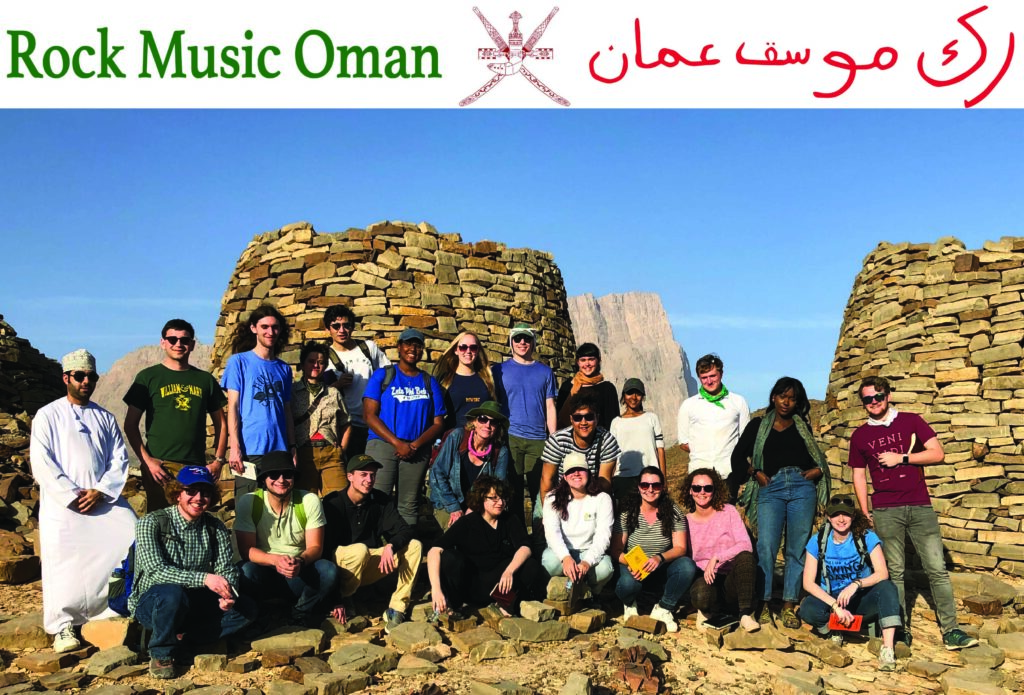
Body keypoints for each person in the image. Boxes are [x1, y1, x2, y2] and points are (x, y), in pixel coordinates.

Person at [848, 376, 978, 650]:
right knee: (894, 572)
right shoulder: (860, 435)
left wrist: (902, 458)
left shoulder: (911, 421)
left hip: (919, 505)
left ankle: (951, 630)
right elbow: (858, 475)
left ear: (888, 395)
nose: (873, 402)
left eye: (878, 396)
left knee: (937, 569)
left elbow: (937, 453)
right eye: (868, 399)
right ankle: (899, 629)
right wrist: (864, 511)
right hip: (885, 509)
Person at [30, 349, 137, 653]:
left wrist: (101, 491)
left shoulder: (104, 417)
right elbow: (43, 462)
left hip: (102, 499)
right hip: (63, 504)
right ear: (66, 378)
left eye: (91, 376)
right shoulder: (48, 416)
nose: (86, 381)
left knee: (132, 533)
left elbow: (119, 460)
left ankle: (114, 608)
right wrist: (72, 494)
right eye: (79, 376)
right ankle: (63, 626)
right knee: (64, 563)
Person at [131, 466, 256, 679]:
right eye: (191, 491)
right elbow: (156, 572)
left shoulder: (214, 526)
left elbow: (226, 568)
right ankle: (161, 653)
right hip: (155, 602)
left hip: (193, 599)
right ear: (178, 493)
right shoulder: (152, 522)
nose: (198, 498)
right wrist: (204, 578)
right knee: (172, 593)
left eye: (205, 493)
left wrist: (228, 594)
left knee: (247, 608)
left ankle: (184, 639)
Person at [732, 377, 831, 629]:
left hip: (802, 488)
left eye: (792, 398)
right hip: (771, 487)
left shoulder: (801, 426)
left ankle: (788, 604)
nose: (786, 402)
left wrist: (815, 472)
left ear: (797, 402)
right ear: (773, 397)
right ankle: (764, 603)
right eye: (782, 396)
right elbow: (738, 456)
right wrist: (756, 474)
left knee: (796, 549)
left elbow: (816, 457)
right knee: (766, 546)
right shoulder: (758, 426)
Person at [123, 319, 228, 512]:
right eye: (172, 339)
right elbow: (130, 424)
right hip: (161, 465)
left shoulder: (205, 380)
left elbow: (221, 423)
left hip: (196, 465)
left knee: (194, 521)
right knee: (161, 520)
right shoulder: (148, 377)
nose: (178, 344)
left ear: (192, 344)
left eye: (184, 340)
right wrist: (148, 461)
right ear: (163, 342)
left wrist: (218, 461)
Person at [235, 452, 339, 628]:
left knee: (328, 571)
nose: (281, 480)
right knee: (244, 571)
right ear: (264, 479)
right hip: (264, 572)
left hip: (298, 573)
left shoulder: (309, 500)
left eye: (287, 474)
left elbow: (315, 547)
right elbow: (246, 550)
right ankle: (260, 613)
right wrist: (275, 560)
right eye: (274, 475)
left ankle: (300, 611)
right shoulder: (250, 502)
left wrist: (299, 561)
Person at [798, 495, 901, 672]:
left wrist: (856, 584)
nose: (841, 519)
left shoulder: (866, 537)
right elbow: (808, 583)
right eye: (836, 514)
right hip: (831, 601)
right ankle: (833, 631)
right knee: (807, 608)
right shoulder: (818, 541)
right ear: (829, 517)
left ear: (853, 517)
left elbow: (883, 573)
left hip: (859, 597)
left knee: (887, 587)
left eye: (845, 515)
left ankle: (888, 648)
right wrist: (835, 606)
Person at [322, 454, 422, 634]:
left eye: (373, 475)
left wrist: (391, 546)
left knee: (414, 546)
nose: (369, 480)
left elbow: (405, 530)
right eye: (363, 475)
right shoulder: (333, 503)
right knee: (360, 550)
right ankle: (346, 596)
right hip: (341, 565)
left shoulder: (381, 500)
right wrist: (334, 598)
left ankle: (396, 608)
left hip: (369, 562)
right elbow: (325, 551)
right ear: (350, 476)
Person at [427, 476, 548, 618]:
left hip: (501, 585)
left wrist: (509, 571)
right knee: (450, 557)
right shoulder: (467, 523)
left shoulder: (510, 520)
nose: (500, 502)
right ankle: (452, 605)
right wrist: (436, 589)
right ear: (482, 498)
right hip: (470, 584)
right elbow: (434, 551)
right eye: (494, 498)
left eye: (502, 498)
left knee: (530, 565)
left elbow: (525, 547)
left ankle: (505, 604)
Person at [363, 327, 446, 527]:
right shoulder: (384, 375)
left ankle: (406, 549)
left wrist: (415, 445)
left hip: (417, 448)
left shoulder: (429, 381)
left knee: (409, 503)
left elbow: (438, 422)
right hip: (383, 444)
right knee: (377, 497)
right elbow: (369, 415)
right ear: (399, 347)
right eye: (408, 344)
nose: (413, 349)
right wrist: (397, 443)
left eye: (418, 346)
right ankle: (375, 548)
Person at [609, 467, 696, 633]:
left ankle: (664, 607)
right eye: (645, 485)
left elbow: (680, 548)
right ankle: (629, 602)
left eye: (655, 485)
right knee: (627, 585)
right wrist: (633, 564)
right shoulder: (627, 512)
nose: (650, 489)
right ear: (639, 487)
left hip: (660, 567)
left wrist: (659, 558)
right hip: (633, 566)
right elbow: (616, 550)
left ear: (662, 487)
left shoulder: (673, 511)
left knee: (686, 566)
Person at [221, 305, 295, 497]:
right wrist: (235, 447)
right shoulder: (238, 362)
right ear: (254, 328)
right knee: (248, 506)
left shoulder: (284, 369)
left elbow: (286, 410)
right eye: (265, 327)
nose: (270, 332)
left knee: (279, 506)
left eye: (275, 327)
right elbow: (233, 407)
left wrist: (293, 447)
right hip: (250, 448)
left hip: (279, 450)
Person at [493, 322, 557, 524]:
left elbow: (550, 406)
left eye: (526, 339)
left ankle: (541, 536)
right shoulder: (498, 371)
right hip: (510, 438)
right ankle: (518, 538)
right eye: (518, 339)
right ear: (511, 342)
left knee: (543, 491)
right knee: (512, 491)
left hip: (538, 439)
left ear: (533, 342)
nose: (522, 342)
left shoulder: (545, 373)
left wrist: (553, 438)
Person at [683, 467, 760, 632]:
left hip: (732, 577)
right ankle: (705, 611)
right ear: (690, 491)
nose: (702, 492)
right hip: (706, 577)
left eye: (707, 488)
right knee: (701, 596)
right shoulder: (686, 521)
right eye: (697, 488)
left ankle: (745, 614)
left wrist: (717, 557)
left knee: (746, 557)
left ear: (714, 490)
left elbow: (746, 544)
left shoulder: (728, 512)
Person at [677, 354, 750, 500]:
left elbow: (745, 439)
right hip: (699, 473)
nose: (709, 381)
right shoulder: (689, 405)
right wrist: (702, 449)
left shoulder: (738, 402)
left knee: (726, 515)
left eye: (712, 376)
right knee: (702, 518)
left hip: (728, 472)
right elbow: (684, 442)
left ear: (721, 374)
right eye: (704, 377)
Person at [428, 401, 511, 529]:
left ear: (497, 428)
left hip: (480, 506)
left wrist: (474, 508)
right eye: (483, 419)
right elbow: (438, 473)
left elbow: (497, 487)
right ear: (474, 422)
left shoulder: (500, 452)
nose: (487, 425)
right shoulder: (457, 437)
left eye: (493, 422)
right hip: (447, 502)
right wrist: (454, 508)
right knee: (455, 531)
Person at [322, 306, 391, 457]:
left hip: (374, 421)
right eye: (336, 326)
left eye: (346, 325)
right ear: (328, 329)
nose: (342, 330)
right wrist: (337, 385)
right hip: (346, 425)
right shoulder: (325, 357)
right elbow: (319, 394)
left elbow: (389, 375)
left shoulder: (368, 348)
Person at [541, 460, 615, 598]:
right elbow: (552, 533)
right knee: (549, 562)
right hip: (565, 551)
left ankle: (592, 593)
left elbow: (603, 536)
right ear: (564, 476)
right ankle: (563, 591)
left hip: (588, 550)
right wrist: (566, 558)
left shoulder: (602, 498)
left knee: (605, 569)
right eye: (570, 471)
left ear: (589, 473)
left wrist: (587, 562)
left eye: (581, 469)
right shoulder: (552, 498)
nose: (576, 473)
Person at [539, 392, 619, 503]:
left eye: (589, 417)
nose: (583, 422)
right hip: (559, 493)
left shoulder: (607, 441)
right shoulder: (557, 441)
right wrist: (547, 511)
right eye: (578, 418)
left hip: (593, 494)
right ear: (571, 419)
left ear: (597, 418)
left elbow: (604, 483)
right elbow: (547, 480)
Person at [292, 341, 349, 496]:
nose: (316, 366)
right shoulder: (292, 392)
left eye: (321, 363)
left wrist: (341, 449)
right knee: (304, 503)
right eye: (311, 362)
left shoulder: (333, 393)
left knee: (339, 500)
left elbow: (346, 422)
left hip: (331, 453)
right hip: (304, 453)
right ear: (302, 365)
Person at [609, 377, 666, 501]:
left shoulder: (652, 418)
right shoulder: (616, 422)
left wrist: (663, 478)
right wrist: (610, 481)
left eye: (638, 393)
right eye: (629, 393)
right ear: (623, 396)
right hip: (623, 479)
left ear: (643, 396)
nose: (634, 397)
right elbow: (612, 455)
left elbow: (660, 450)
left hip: (650, 478)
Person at [431, 330, 497, 428]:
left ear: (478, 351)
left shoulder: (488, 379)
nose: (468, 351)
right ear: (455, 350)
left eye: (473, 348)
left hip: (481, 440)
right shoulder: (445, 380)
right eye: (463, 347)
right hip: (453, 439)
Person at [555, 343, 619, 430]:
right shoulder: (567, 387)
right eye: (583, 360)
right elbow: (559, 417)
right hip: (568, 440)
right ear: (578, 362)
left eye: (591, 359)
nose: (587, 364)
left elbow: (613, 422)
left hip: (600, 440)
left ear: (598, 361)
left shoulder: (607, 389)